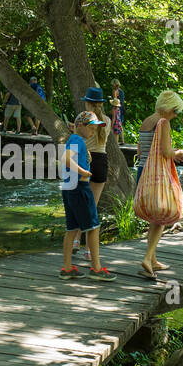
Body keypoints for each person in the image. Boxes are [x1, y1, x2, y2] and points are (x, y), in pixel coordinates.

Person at [59, 113, 115, 281]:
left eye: (95, 128)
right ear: (80, 125)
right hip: (80, 188)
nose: (93, 131)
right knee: (93, 227)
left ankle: (67, 268)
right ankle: (96, 268)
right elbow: (66, 159)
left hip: (69, 187)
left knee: (72, 228)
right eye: (91, 127)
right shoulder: (77, 139)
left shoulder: (75, 140)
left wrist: (85, 159)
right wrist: (83, 171)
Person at [136, 90, 183, 278]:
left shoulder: (146, 121)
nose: (175, 115)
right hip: (156, 176)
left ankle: (154, 260)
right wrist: (177, 153)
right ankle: (148, 258)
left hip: (143, 172)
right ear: (169, 108)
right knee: (162, 217)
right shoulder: (163, 122)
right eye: (175, 111)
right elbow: (165, 151)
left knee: (154, 218)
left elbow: (141, 151)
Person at [76, 87, 111, 207]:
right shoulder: (107, 120)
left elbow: (77, 139)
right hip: (101, 162)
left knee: (80, 205)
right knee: (92, 206)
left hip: (85, 159)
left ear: (88, 103)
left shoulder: (82, 116)